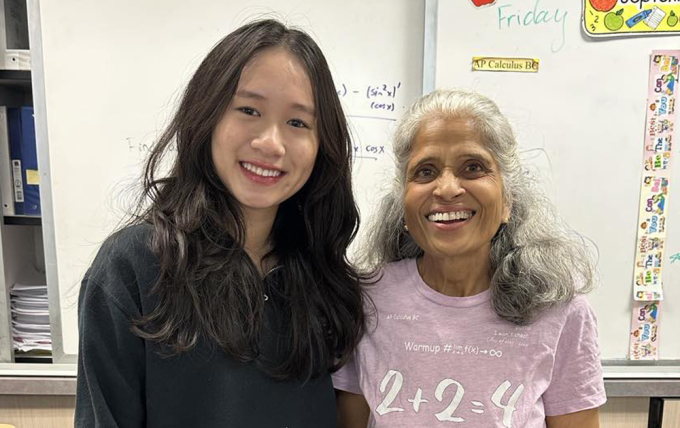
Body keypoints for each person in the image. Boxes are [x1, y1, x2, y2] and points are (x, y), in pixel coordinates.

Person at [75, 19, 366, 427]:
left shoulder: (326, 281)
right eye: (249, 110)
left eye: (298, 122)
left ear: (322, 145)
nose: (271, 143)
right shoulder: (136, 266)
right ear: (207, 116)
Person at [333, 89, 607, 428]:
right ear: (404, 202)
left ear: (508, 200)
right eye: (425, 171)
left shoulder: (561, 312)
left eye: (473, 167)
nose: (446, 189)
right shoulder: (364, 300)